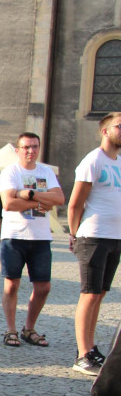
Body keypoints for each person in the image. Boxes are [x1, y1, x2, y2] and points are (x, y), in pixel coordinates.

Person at [0, 132, 65, 348]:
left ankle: (29, 328)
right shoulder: (10, 172)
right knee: (11, 286)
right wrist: (40, 202)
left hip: (41, 237)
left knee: (44, 287)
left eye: (34, 147)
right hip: (14, 236)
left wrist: (29, 195)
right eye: (26, 147)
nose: (31, 151)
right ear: (18, 150)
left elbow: (59, 199)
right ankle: (11, 330)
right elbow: (8, 204)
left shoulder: (46, 171)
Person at [67, 112, 121, 375]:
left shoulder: (119, 161)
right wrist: (75, 234)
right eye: (120, 126)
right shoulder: (93, 160)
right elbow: (76, 202)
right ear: (104, 131)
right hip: (93, 235)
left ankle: (91, 347)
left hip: (115, 236)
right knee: (88, 294)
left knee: (100, 294)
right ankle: (81, 354)